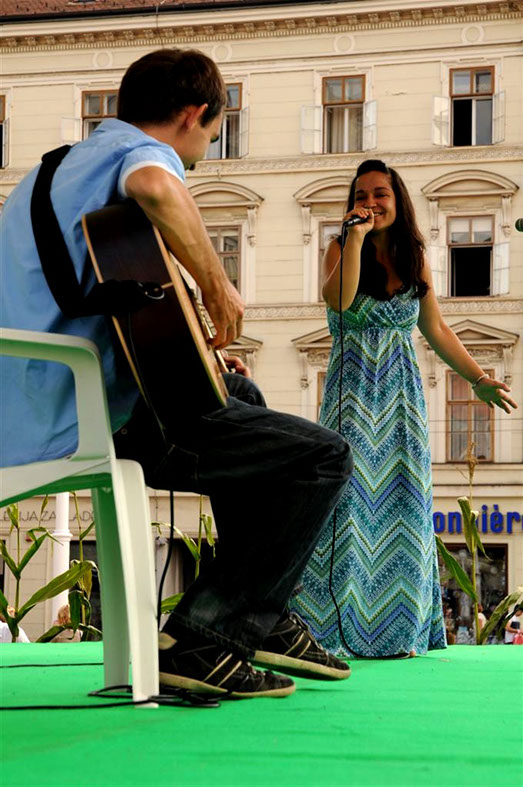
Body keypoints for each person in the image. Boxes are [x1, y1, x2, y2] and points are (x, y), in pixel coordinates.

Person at [0, 49, 353, 699]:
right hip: (82, 420)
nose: (202, 154)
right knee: (321, 456)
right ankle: (206, 637)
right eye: (211, 136)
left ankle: (259, 614)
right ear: (192, 115)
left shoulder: (57, 169)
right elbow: (158, 188)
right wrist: (218, 287)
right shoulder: (141, 158)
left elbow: (96, 296)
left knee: (236, 391)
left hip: (32, 405)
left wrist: (196, 353)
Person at [290, 159, 517, 659]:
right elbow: (341, 300)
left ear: (398, 200)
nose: (371, 202)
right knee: (347, 509)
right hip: (352, 397)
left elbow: (435, 329)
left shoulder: (415, 255)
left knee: (403, 506)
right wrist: (352, 237)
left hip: (402, 400)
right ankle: (334, 630)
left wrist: (477, 380)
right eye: (362, 194)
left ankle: (398, 632)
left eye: (381, 194)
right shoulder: (339, 246)